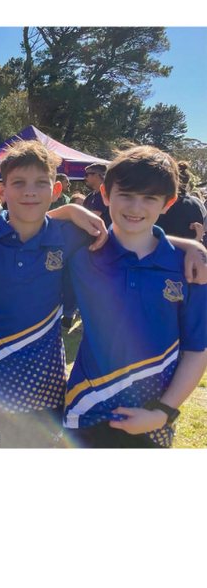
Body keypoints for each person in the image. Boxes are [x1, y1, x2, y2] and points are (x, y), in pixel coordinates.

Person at [0, 141, 111, 447]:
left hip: (46, 386)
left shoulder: (71, 235)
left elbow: (134, 235)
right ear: (1, 192)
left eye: (41, 183)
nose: (30, 191)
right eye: (19, 183)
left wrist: (190, 247)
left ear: (55, 190)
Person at [63, 146, 207, 447]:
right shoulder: (83, 251)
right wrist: (69, 209)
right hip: (85, 410)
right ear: (105, 194)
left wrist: (164, 412)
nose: (136, 207)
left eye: (149, 198)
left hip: (152, 419)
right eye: (126, 194)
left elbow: (197, 349)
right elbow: (28, 225)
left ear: (168, 203)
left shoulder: (189, 268)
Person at [156, 161, 206, 240]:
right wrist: (198, 238)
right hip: (188, 249)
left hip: (159, 248)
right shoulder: (196, 204)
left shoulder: (160, 203)